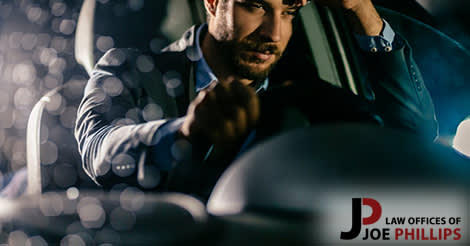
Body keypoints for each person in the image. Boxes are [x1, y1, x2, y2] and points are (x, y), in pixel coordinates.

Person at [75, 0, 437, 199]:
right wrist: (186, 133)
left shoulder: (306, 96)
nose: (274, 33)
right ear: (214, 3)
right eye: (256, 6)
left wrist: (363, 11)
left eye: (289, 12)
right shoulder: (132, 70)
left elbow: (413, 140)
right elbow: (101, 151)